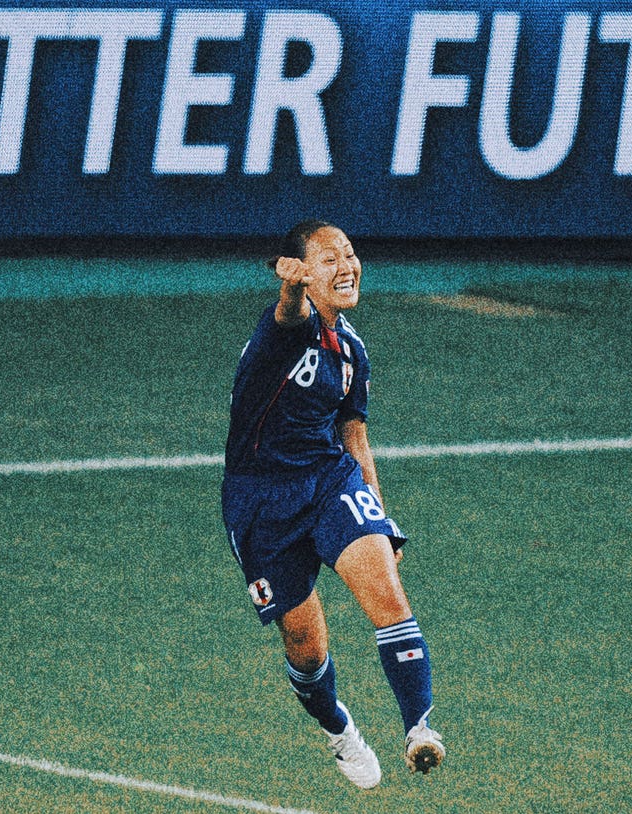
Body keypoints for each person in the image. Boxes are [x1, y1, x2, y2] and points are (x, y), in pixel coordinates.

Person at [221, 220, 444, 789]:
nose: (345, 266)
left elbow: (355, 437)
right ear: (302, 272)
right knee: (304, 644)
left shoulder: (352, 351)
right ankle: (340, 730)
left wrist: (380, 516)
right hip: (261, 503)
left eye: (349, 254)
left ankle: (419, 729)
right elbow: (289, 313)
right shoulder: (285, 333)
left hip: (328, 482)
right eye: (327, 260)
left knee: (389, 596)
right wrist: (291, 288)